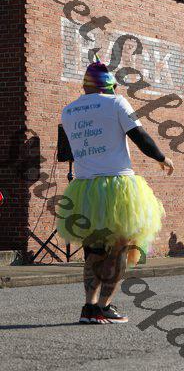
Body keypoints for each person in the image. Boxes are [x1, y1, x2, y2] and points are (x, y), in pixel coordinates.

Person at [57, 56, 174, 324]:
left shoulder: (68, 111)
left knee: (93, 249)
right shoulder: (117, 103)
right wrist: (162, 158)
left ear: (85, 85)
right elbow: (139, 136)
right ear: (109, 86)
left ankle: (88, 307)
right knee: (121, 247)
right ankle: (105, 306)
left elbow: (69, 150)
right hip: (117, 186)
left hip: (84, 188)